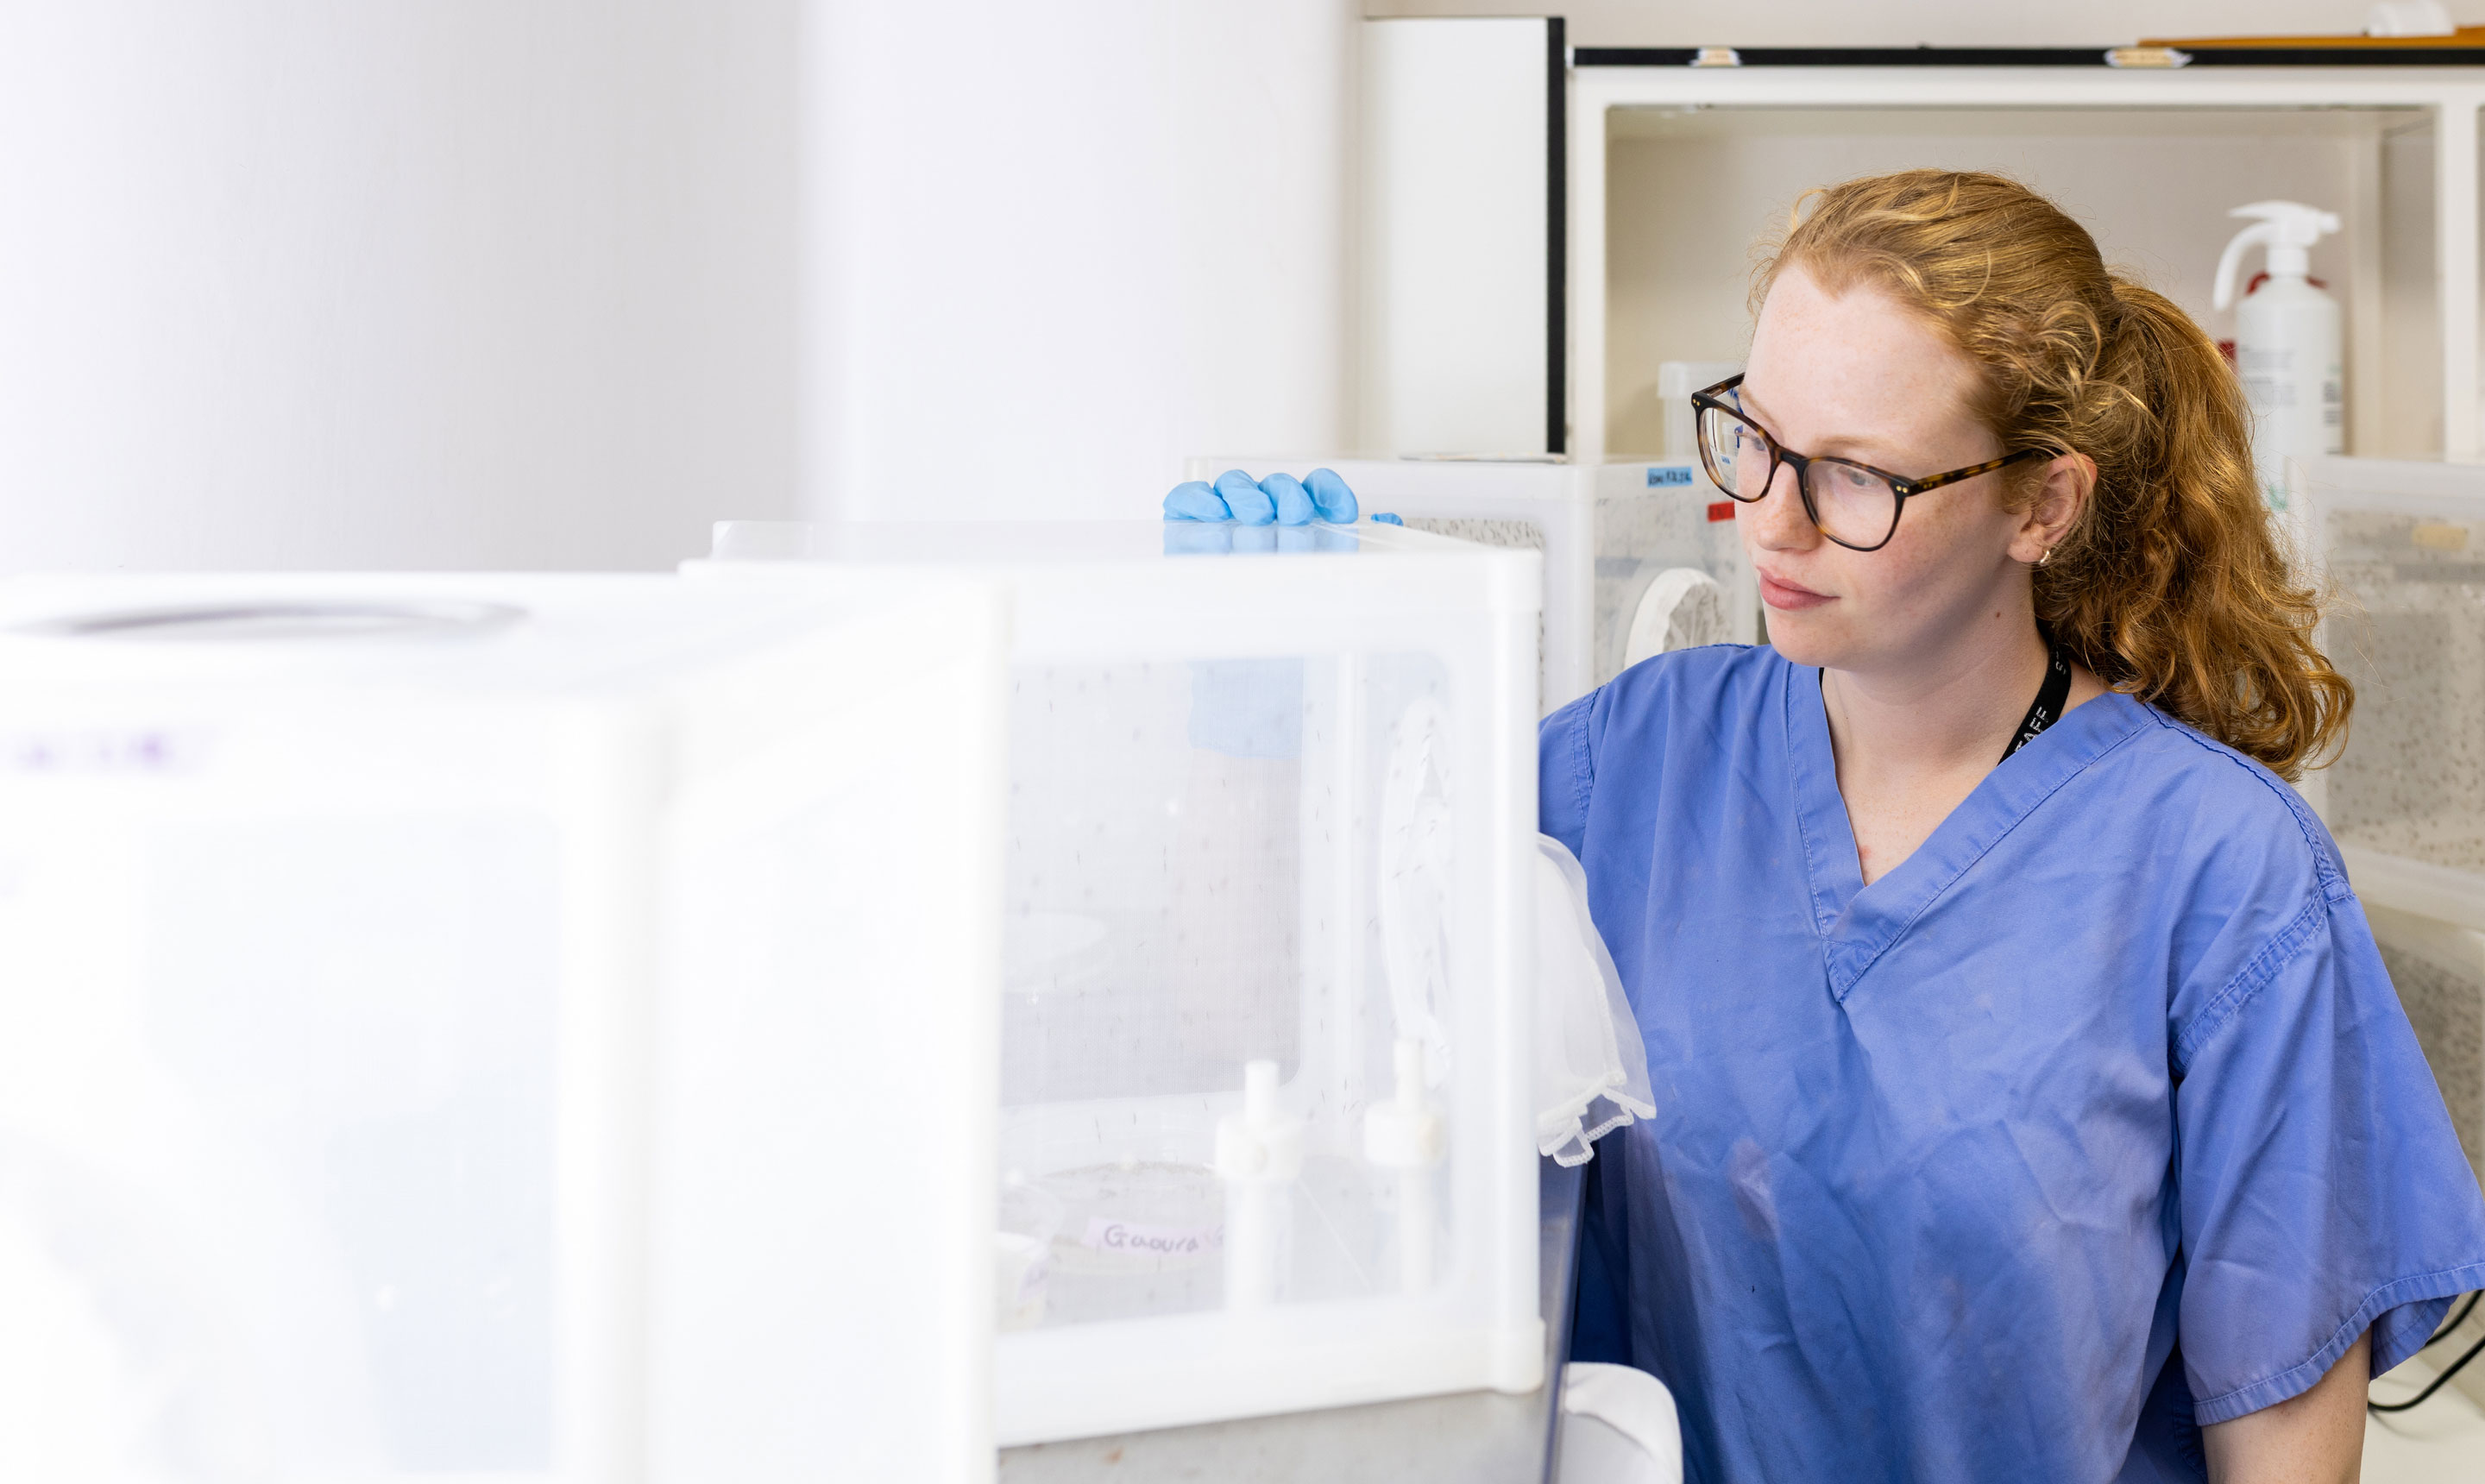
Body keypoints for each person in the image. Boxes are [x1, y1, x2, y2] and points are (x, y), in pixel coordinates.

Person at [1167, 170, 2485, 1483]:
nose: (1767, 517)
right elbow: (1278, 1060)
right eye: (1755, 431)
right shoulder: (1639, 761)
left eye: (1853, 475)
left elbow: (2282, 1434)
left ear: (2042, 507)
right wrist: (1258, 708)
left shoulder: (2218, 868)